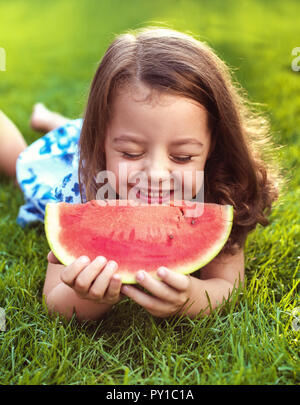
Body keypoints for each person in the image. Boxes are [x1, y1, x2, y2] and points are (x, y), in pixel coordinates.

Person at [0, 27, 281, 322]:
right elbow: (54, 298)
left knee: (97, 132)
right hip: (80, 148)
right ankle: (59, 126)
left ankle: (57, 122)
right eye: (132, 154)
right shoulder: (81, 186)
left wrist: (191, 299)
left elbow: (227, 285)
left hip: (107, 134)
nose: (156, 174)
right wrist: (87, 298)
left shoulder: (222, 190)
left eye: (182, 156)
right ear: (101, 142)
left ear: (215, 145)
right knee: (26, 167)